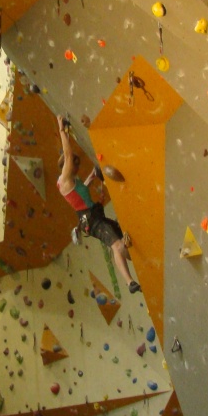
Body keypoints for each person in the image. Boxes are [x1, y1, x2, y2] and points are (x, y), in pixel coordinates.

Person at [56, 113, 140, 294]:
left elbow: (81, 193)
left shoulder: (70, 183)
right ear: (67, 167)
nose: (77, 168)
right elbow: (68, 155)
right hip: (92, 221)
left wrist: (93, 176)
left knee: (122, 238)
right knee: (117, 245)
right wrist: (62, 130)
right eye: (75, 166)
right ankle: (130, 282)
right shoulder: (65, 179)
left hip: (93, 217)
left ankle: (136, 265)